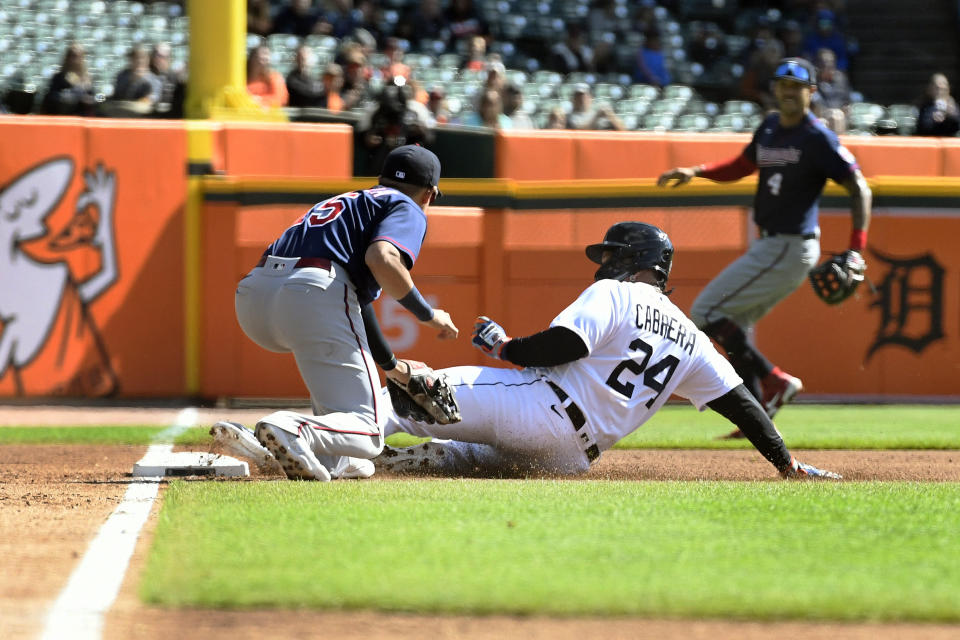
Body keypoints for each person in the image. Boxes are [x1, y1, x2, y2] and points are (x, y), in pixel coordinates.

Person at [373, 222, 841, 481]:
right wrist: (787, 464)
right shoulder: (690, 335)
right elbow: (742, 405)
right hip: (570, 457)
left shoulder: (616, 294)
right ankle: (374, 463)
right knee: (462, 455)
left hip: (540, 411)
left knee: (416, 390)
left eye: (613, 257)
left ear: (638, 263)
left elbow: (568, 345)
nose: (606, 266)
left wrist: (508, 347)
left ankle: (319, 435)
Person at [216, 145, 459, 482]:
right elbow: (383, 258)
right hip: (313, 293)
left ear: (381, 179)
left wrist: (392, 367)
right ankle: (289, 428)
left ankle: (281, 448)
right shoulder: (407, 205)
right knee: (370, 430)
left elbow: (355, 302)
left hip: (255, 295)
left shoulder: (346, 202)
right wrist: (427, 314)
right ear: (429, 194)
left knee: (354, 459)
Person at [656, 57, 871, 428]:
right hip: (772, 246)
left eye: (796, 86)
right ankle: (756, 416)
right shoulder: (770, 126)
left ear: (811, 92)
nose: (788, 92)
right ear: (775, 89)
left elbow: (860, 188)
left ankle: (775, 379)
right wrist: (697, 172)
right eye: (783, 85)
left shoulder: (816, 136)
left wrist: (856, 249)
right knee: (729, 322)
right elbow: (742, 166)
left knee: (705, 312)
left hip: (790, 245)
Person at [42, 43, 97, 116]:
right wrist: (65, 97)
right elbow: (50, 97)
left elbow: (93, 100)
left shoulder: (88, 79)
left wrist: (84, 97)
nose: (75, 60)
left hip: (80, 117)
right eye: (73, 56)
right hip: (62, 115)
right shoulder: (59, 77)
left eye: (78, 56)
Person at [915, 73, 960, 137]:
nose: (940, 92)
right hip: (931, 143)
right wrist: (934, 119)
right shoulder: (925, 106)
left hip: (950, 143)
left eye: (943, 89)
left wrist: (950, 115)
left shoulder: (953, 106)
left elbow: (957, 125)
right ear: (930, 89)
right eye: (937, 88)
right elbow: (923, 127)